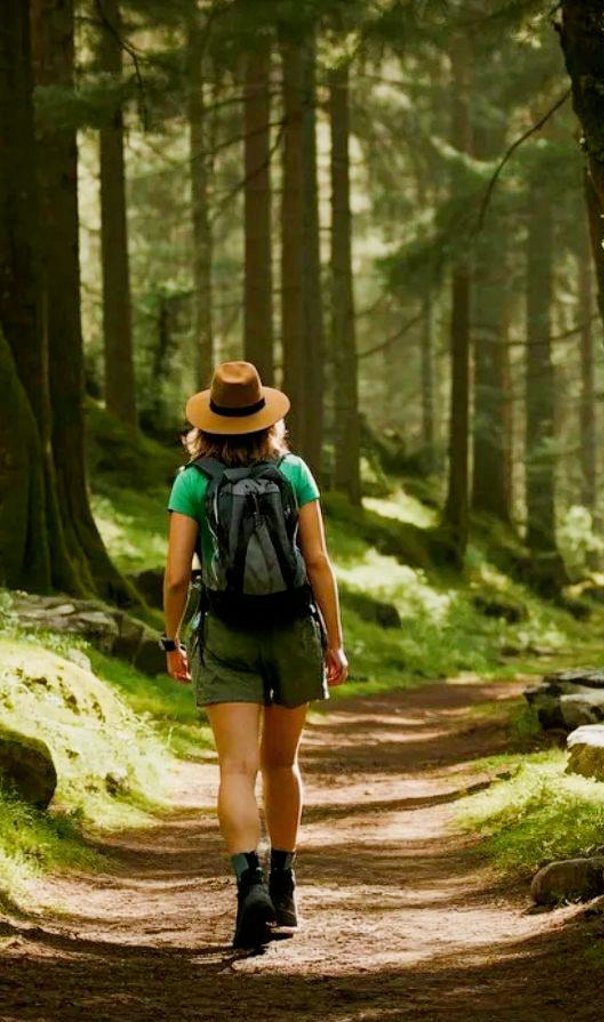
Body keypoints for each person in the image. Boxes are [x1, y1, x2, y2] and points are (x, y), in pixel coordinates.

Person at [161, 360, 349, 949]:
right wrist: (334, 641)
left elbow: (175, 575)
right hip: (293, 627)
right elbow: (317, 561)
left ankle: (250, 887)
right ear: (266, 418)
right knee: (281, 762)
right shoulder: (293, 471)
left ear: (208, 421)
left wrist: (172, 638)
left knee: (235, 769)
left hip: (227, 631)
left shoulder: (193, 479)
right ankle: (285, 883)